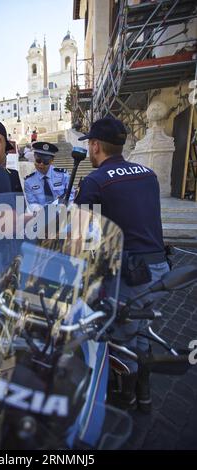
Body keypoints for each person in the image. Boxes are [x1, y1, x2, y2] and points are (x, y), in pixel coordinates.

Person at [75, 117, 170, 413]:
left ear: (94, 146)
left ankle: (124, 402)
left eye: (89, 146)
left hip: (128, 275)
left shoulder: (95, 181)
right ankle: (144, 396)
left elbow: (82, 236)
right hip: (159, 269)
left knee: (120, 339)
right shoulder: (148, 174)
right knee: (141, 333)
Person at [24, 141, 75, 209]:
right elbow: (33, 203)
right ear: (34, 157)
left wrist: (58, 205)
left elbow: (71, 194)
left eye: (45, 161)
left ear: (52, 160)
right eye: (38, 160)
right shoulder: (29, 181)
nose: (41, 164)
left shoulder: (63, 175)